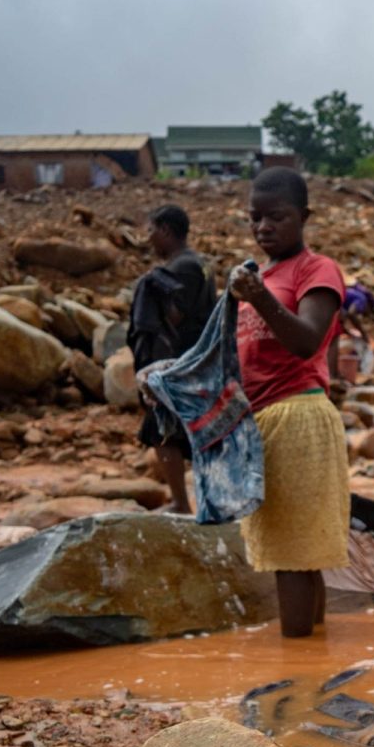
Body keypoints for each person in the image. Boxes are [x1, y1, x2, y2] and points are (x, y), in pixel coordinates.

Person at [226, 167, 350, 638]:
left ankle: (297, 679)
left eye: (276, 217)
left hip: (297, 414)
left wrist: (258, 297)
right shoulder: (261, 276)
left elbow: (308, 341)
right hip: (265, 419)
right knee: (298, 552)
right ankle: (312, 661)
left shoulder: (314, 269)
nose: (263, 228)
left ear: (304, 217)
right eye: (254, 218)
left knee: (291, 555)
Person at [128, 204, 216, 515]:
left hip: (178, 363)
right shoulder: (200, 264)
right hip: (197, 361)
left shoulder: (182, 268)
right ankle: (202, 501)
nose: (149, 238)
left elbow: (174, 317)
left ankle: (180, 502)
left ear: (165, 230)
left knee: (161, 429)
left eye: (151, 230)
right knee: (192, 430)